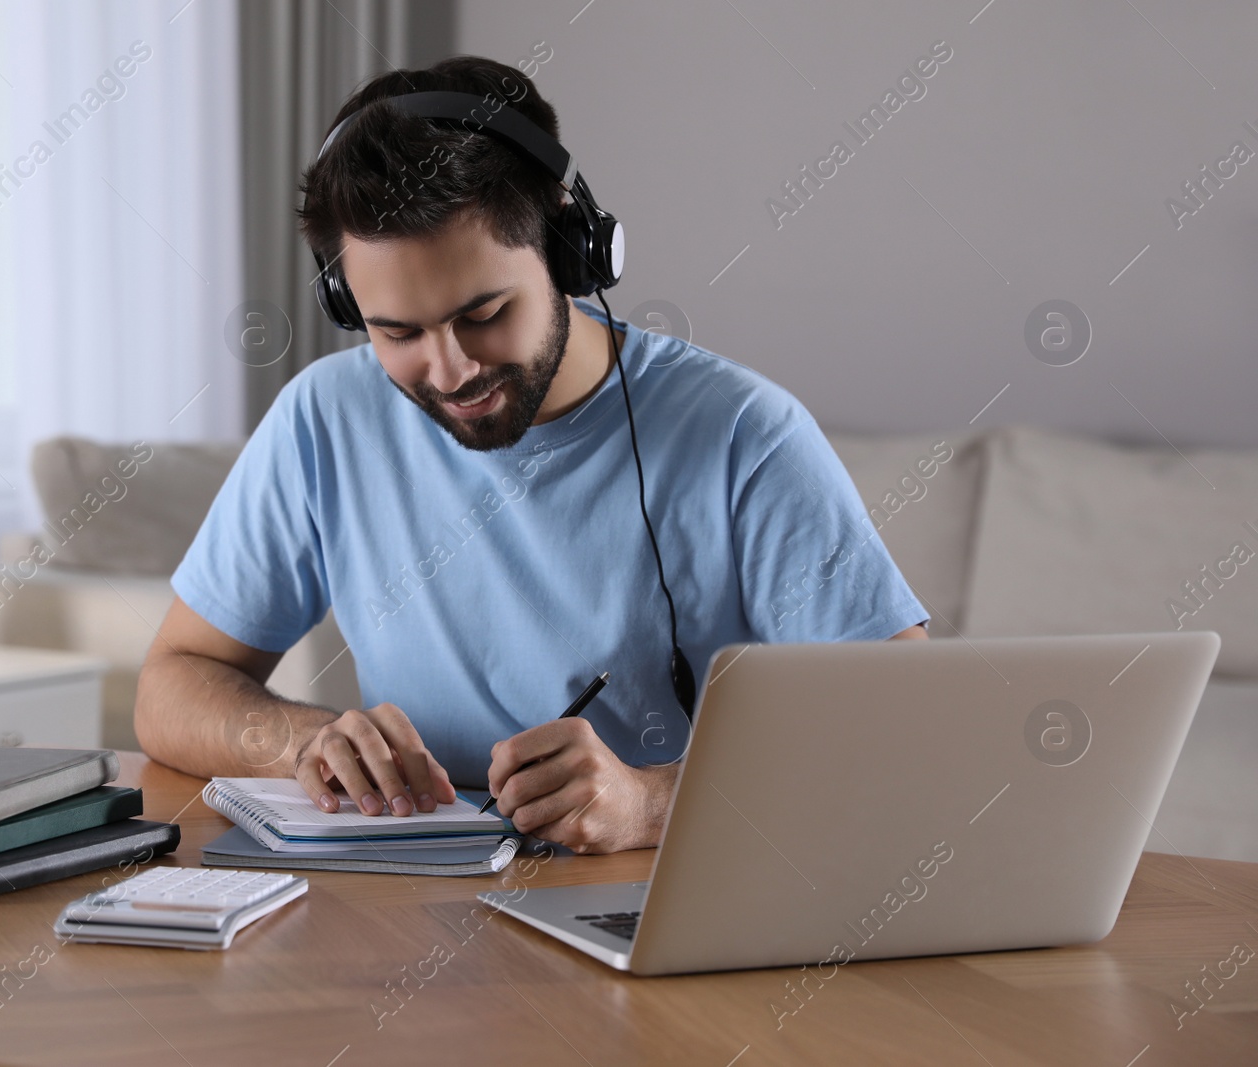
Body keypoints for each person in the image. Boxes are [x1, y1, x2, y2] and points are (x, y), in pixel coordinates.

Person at [134, 55, 927, 854]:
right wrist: (301, 740)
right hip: (417, 910)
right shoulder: (322, 419)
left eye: (483, 313)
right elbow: (171, 684)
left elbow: (906, 731)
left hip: (652, 901)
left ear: (565, 245)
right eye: (397, 333)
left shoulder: (743, 435)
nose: (449, 372)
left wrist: (654, 803)